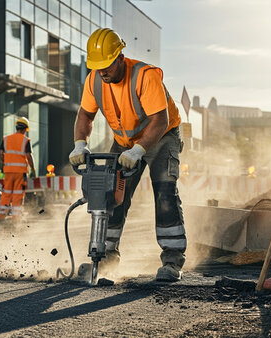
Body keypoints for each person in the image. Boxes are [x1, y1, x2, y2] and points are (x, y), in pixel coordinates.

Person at [69, 28, 186, 282]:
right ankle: (106, 257)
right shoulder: (94, 81)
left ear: (120, 57)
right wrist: (80, 144)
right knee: (110, 195)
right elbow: (85, 115)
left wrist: (138, 150)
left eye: (107, 66)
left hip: (163, 134)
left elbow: (160, 119)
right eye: (97, 67)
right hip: (125, 141)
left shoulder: (145, 76)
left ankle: (173, 260)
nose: (102, 71)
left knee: (165, 191)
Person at [0, 117, 36, 221]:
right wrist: (33, 169)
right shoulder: (26, 140)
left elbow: (1, 154)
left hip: (8, 171)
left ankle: (1, 216)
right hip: (20, 172)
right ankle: (16, 217)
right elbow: (28, 156)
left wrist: (2, 165)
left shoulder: (6, 139)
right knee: (18, 195)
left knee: (6, 193)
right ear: (25, 129)